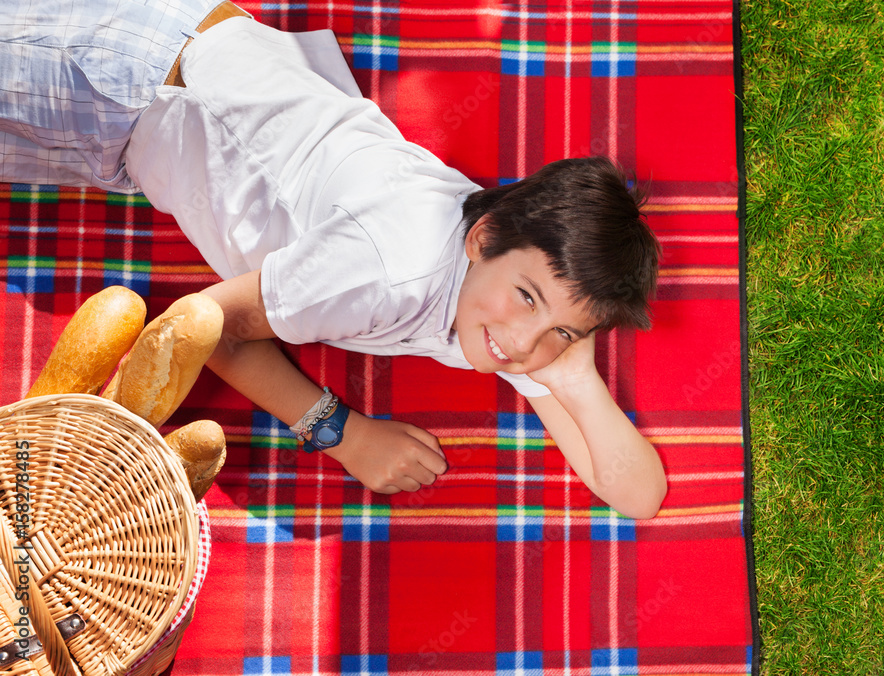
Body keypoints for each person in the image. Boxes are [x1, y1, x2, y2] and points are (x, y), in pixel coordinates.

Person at [0, 0, 667, 518]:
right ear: (482, 239)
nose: (524, 344)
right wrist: (341, 433)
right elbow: (204, 325)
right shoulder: (388, 268)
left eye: (564, 331)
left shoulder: (503, 304)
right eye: (528, 299)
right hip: (131, 77)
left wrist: (573, 374)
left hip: (142, 129)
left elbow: (637, 494)